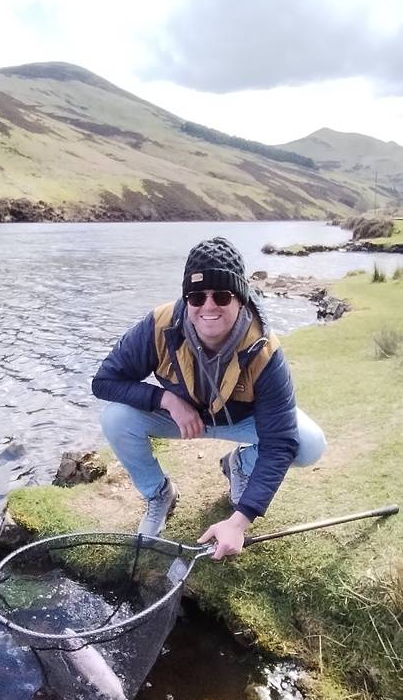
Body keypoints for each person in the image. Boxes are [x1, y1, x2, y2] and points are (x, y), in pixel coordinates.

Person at [92, 237, 326, 560]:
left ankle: (239, 465)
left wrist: (239, 522)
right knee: (115, 418)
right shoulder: (158, 326)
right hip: (180, 418)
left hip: (242, 421)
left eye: (222, 295)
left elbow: (280, 441)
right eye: (197, 296)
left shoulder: (265, 349)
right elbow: (104, 381)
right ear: (186, 298)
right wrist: (167, 401)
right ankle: (159, 494)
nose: (208, 306)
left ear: (241, 299)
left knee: (309, 443)